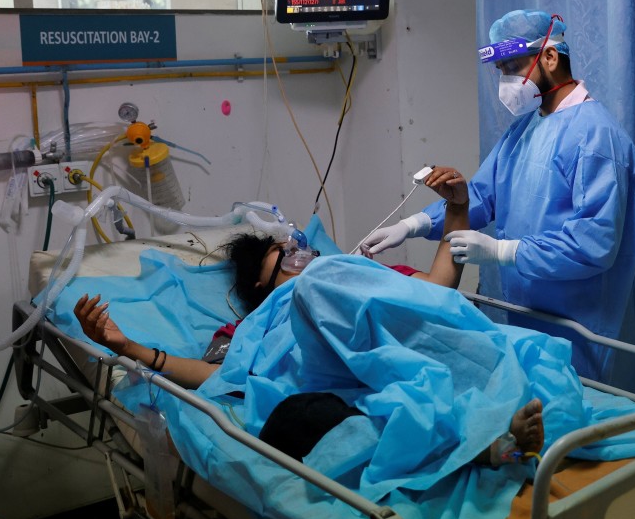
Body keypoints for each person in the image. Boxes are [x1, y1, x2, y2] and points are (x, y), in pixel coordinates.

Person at [362, 9, 635, 398]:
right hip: (533, 314)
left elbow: (595, 243)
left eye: (513, 67)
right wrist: (413, 225)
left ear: (549, 58)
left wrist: (503, 250)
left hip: (587, 320)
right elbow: (483, 197)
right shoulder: (525, 129)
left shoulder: (595, 137)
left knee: (590, 415)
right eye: (501, 70)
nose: (507, 82)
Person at [73, 165, 471, 388]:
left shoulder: (363, 273)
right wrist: (127, 347)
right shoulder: (246, 330)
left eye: (300, 247)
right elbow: (215, 375)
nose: (298, 253)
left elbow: (438, 289)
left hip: (427, 359)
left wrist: (456, 208)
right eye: (281, 254)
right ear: (261, 284)